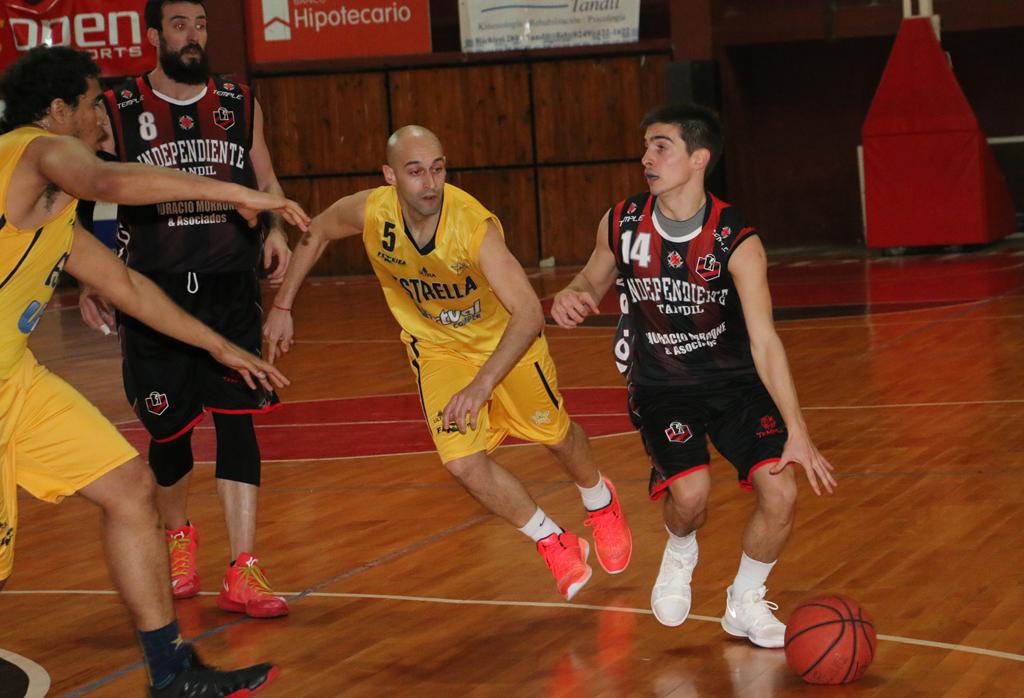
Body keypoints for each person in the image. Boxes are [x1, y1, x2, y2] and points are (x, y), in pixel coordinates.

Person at [0, 46, 308, 695]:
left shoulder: (52, 212)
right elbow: (109, 183)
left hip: (13, 379)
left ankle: (170, 673)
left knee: (130, 490)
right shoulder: (30, 148)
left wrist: (220, 347)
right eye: (90, 107)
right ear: (57, 110)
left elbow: (129, 288)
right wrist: (235, 190)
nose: (102, 125)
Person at [262, 125, 633, 600]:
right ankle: (553, 540)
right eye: (415, 172)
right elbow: (314, 233)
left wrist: (481, 385)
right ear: (390, 177)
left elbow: (528, 313)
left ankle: (600, 501)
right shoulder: (372, 211)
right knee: (461, 462)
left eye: (437, 169)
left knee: (556, 437)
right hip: (436, 348)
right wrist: (283, 305)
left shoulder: (469, 226)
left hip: (504, 341)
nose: (430, 183)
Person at [551, 104, 836, 647]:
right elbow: (592, 276)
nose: (647, 158)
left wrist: (797, 428)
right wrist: (575, 294)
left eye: (661, 147)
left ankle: (745, 601)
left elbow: (765, 340)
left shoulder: (736, 239)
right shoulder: (622, 221)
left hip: (735, 384)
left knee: (782, 493)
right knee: (690, 495)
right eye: (645, 147)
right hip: (661, 385)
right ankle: (680, 553)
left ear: (698, 158)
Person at [78, 0, 293, 618]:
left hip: (229, 286)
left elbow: (264, 177)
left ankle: (244, 569)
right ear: (153, 36)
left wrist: (275, 228)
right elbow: (95, 193)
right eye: (179, 25)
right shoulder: (118, 109)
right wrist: (95, 275)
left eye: (199, 25)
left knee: (236, 420)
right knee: (169, 434)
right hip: (155, 292)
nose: (193, 36)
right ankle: (180, 542)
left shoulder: (238, 101)